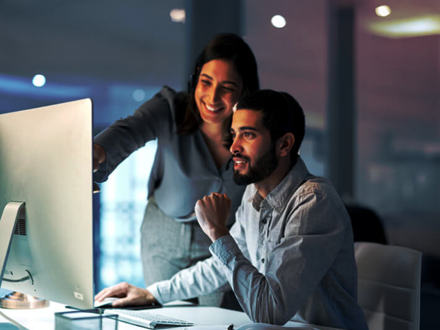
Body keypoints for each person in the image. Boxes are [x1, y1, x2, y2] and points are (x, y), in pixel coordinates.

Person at [95, 90, 368, 329]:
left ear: (284, 144)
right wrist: (153, 293)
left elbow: (269, 312)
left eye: (248, 135)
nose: (233, 147)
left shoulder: (313, 202)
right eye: (234, 134)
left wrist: (217, 231)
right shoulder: (254, 193)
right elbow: (219, 268)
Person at [93, 33, 259, 306]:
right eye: (206, 82)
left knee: (216, 323)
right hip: (164, 237)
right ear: (195, 78)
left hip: (221, 240)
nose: (213, 97)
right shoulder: (170, 107)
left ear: (244, 90)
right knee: (166, 317)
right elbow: (131, 128)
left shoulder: (253, 132)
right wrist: (98, 150)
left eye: (227, 87)